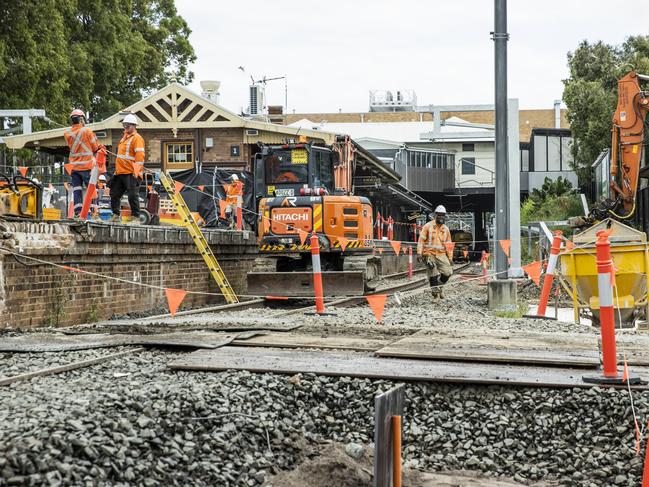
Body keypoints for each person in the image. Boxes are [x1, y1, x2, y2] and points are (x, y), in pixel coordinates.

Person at [63, 109, 101, 217]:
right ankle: (95, 212)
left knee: (77, 190)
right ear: (81, 119)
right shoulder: (87, 131)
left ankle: (78, 213)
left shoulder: (67, 133)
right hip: (87, 166)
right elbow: (95, 147)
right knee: (92, 188)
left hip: (74, 168)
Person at [109, 114, 145, 224]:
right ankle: (116, 215)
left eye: (128, 126)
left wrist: (137, 172)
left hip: (131, 172)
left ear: (134, 126)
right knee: (114, 194)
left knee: (132, 195)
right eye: (124, 126)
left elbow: (140, 157)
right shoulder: (123, 138)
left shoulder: (137, 138)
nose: (126, 128)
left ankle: (135, 217)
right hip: (120, 172)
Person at [417, 205, 453, 301]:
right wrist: (419, 253)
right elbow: (421, 241)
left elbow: (449, 245)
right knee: (432, 273)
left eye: (443, 215)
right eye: (439, 215)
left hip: (441, 254)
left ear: (445, 216)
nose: (441, 217)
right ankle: (435, 295)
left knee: (448, 272)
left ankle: (439, 286)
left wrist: (450, 258)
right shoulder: (427, 226)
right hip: (429, 254)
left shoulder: (446, 229)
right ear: (435, 215)